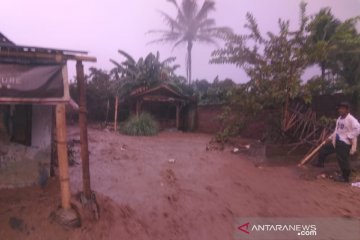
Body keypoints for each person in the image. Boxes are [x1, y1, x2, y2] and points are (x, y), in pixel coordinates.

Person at [312, 102, 360, 182]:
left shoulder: (351, 119)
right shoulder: (339, 119)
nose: (340, 110)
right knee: (325, 149)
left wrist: (349, 136)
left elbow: (358, 129)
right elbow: (337, 131)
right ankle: (320, 163)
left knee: (343, 159)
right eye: (340, 108)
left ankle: (345, 178)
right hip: (337, 141)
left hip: (344, 143)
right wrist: (330, 138)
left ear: (347, 110)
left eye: (343, 108)